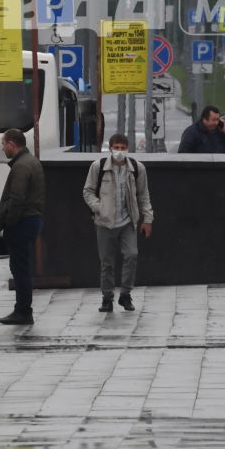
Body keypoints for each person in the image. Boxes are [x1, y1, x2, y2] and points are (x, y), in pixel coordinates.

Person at [81, 133, 153, 314]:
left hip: (128, 222)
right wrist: (100, 208)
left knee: (132, 255)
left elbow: (144, 196)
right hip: (105, 223)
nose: (119, 152)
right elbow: (88, 191)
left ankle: (126, 294)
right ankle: (107, 298)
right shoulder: (98, 167)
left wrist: (147, 219)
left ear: (127, 149)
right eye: (116, 148)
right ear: (110, 148)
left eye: (122, 148)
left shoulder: (137, 168)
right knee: (107, 262)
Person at [0, 127, 46, 326]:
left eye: (3, 144)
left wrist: (9, 222)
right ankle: (22, 309)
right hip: (32, 220)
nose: (2, 149)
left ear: (11, 144)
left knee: (20, 268)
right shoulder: (31, 161)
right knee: (22, 267)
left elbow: (17, 198)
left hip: (22, 222)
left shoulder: (21, 166)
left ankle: (23, 311)